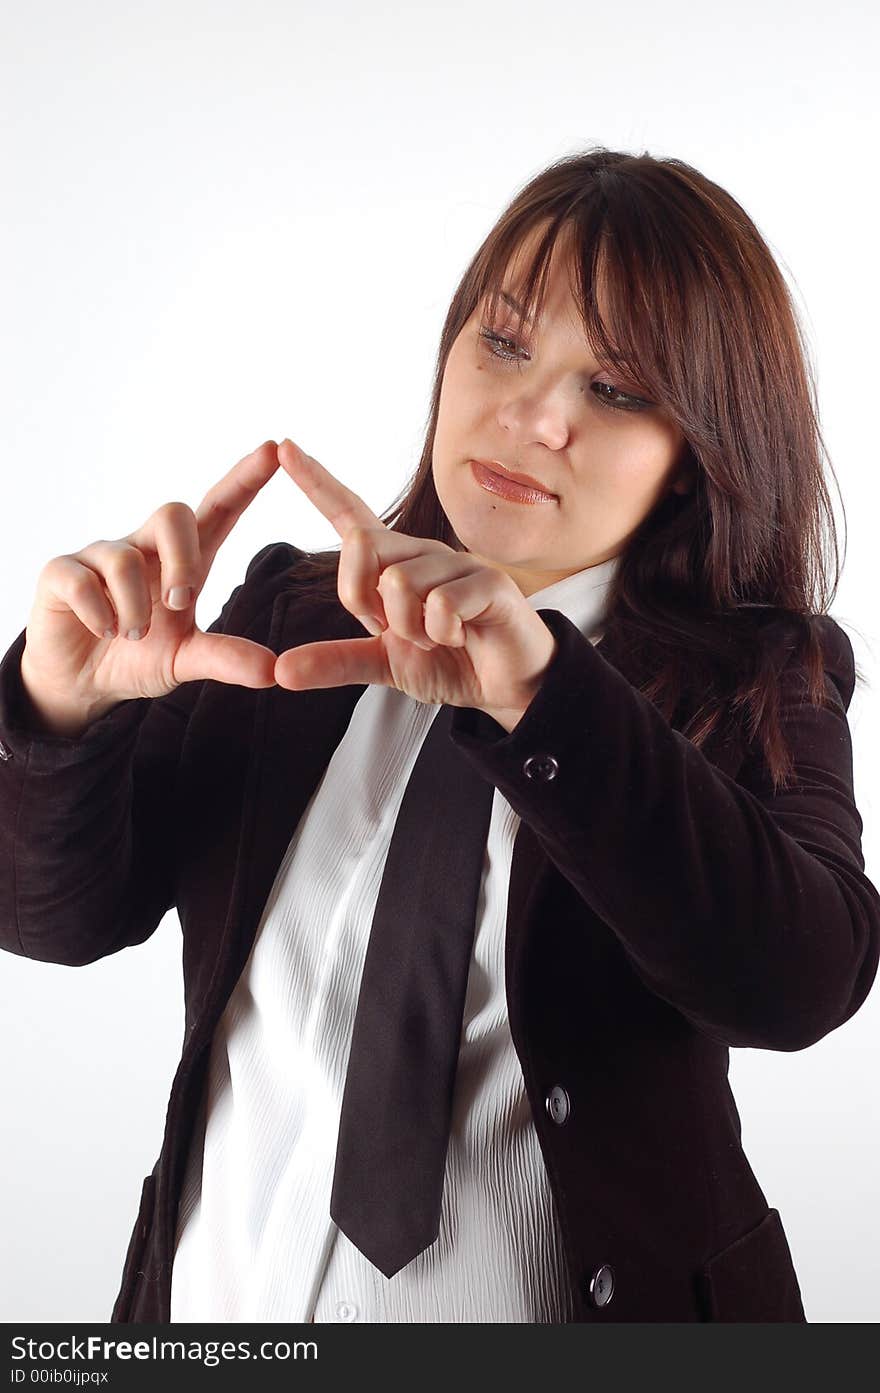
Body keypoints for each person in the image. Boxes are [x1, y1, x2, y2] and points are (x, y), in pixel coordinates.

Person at [1, 146, 878, 1324]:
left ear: (692, 458)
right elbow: (58, 919)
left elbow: (798, 981)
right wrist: (60, 709)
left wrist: (544, 698)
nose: (534, 416)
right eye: (505, 343)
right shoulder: (287, 621)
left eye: (617, 391)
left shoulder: (762, 674)